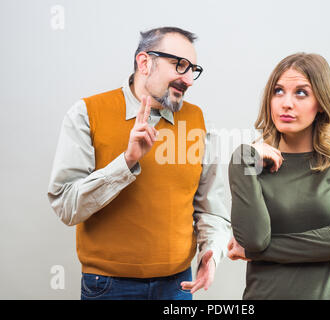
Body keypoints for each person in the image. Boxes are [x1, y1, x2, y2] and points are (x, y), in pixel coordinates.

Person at [47, 26, 231, 300]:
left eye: (193, 69)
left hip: (177, 286)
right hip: (108, 287)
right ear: (144, 63)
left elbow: (211, 209)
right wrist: (127, 161)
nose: (188, 79)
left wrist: (210, 255)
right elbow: (66, 207)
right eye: (179, 65)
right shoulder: (86, 114)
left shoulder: (199, 122)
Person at [227, 53, 330, 299]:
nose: (286, 103)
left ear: (322, 102)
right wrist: (241, 158)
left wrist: (260, 252)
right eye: (278, 91)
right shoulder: (252, 163)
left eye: (301, 93)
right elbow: (253, 240)